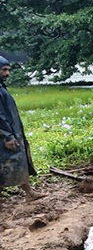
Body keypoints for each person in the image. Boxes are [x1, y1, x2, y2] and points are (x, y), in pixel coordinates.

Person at [0, 57, 44, 201]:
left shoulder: (1, 88)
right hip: (5, 135)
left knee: (19, 160)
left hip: (12, 132)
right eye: (4, 70)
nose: (8, 73)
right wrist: (8, 136)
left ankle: (29, 192)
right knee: (5, 165)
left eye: (8, 70)